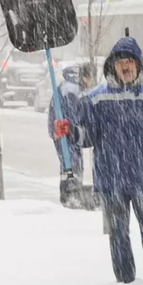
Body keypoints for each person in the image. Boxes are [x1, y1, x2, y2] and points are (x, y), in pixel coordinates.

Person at [55, 37, 143, 283]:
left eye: (130, 61)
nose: (125, 66)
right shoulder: (96, 100)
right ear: (112, 66)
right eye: (121, 61)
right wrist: (70, 130)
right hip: (111, 179)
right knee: (118, 233)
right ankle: (125, 281)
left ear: (139, 65)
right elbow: (87, 136)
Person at [46, 64, 86, 207]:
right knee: (73, 163)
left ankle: (68, 190)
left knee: (67, 163)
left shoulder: (62, 89)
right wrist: (75, 129)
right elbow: (74, 115)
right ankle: (71, 193)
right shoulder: (71, 91)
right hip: (67, 133)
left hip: (61, 133)